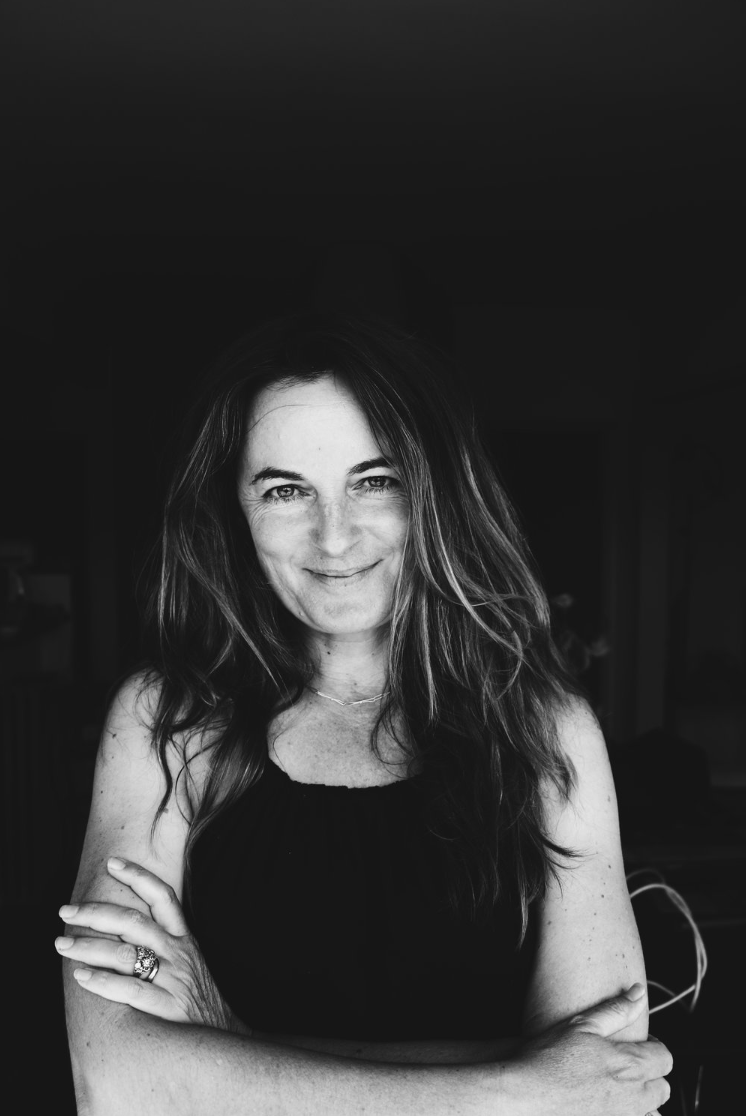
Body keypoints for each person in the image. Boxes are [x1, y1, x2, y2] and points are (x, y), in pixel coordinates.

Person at [58, 312, 672, 1115]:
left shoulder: (545, 731)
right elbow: (115, 1084)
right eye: (285, 491)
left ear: (434, 494)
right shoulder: (164, 721)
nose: (335, 536)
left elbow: (610, 1088)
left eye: (374, 480)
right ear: (234, 510)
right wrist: (517, 1087)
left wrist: (227, 1038)